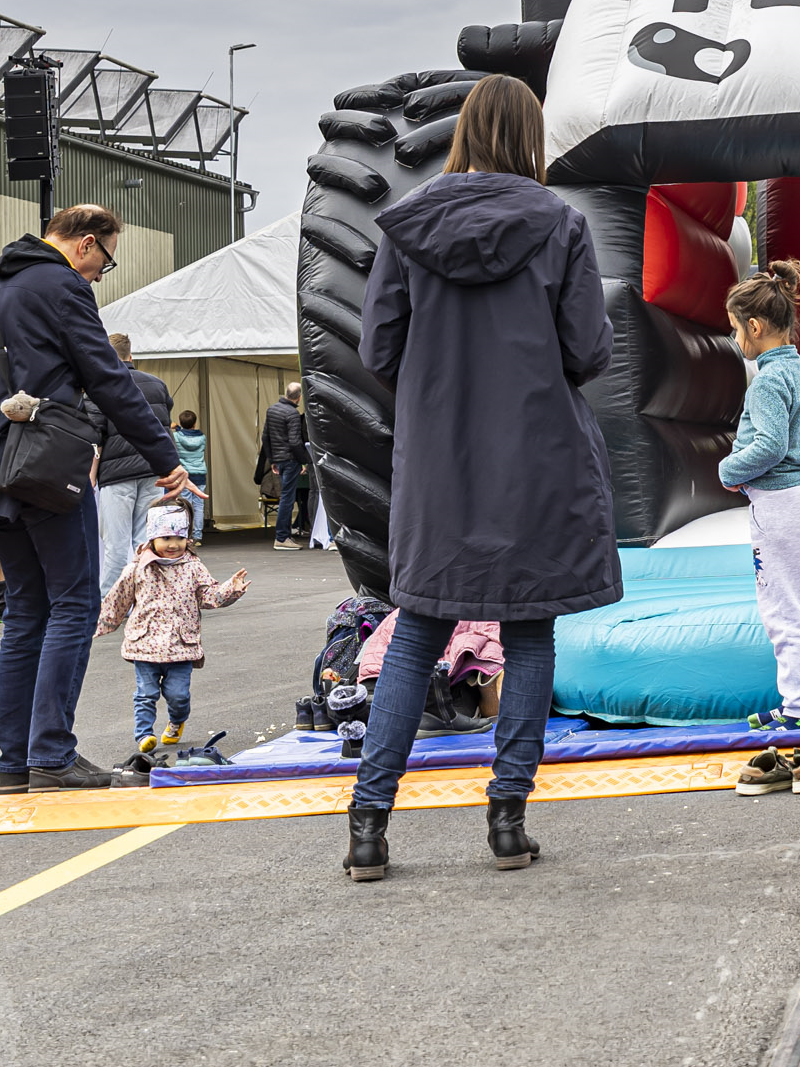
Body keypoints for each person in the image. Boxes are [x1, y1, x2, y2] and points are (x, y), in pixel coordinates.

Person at [342, 75, 617, 882]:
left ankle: (368, 828)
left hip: (440, 462)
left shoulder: (405, 226)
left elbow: (376, 350)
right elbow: (588, 351)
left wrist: (439, 381)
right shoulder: (561, 224)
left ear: (462, 133)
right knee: (530, 633)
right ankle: (506, 820)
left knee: (416, 630)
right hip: (538, 458)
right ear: (529, 139)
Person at [0, 203, 193, 792]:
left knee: (25, 613)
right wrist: (166, 459)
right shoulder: (60, 285)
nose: (102, 275)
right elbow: (109, 377)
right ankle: (52, 754)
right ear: (85, 243)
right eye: (106, 260)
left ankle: (17, 764)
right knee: (75, 606)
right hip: (44, 467)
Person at [720, 260, 800, 792]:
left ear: (757, 327)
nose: (734, 336)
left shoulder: (768, 380)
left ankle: (796, 711)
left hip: (780, 503)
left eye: (734, 326)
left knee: (781, 606)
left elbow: (766, 446)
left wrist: (728, 469)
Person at [96, 501, 245, 757]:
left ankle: (177, 721)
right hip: (145, 645)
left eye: (180, 537)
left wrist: (231, 589)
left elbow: (208, 596)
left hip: (180, 646)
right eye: (166, 537)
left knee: (178, 695)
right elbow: (117, 599)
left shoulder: (193, 567)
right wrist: (97, 624)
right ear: (152, 537)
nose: (173, 544)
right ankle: (144, 734)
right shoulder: (137, 568)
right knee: (146, 693)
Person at [92, 331, 179, 597]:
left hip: (116, 475)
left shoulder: (99, 386)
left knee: (115, 544)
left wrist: (91, 477)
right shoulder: (157, 384)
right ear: (131, 356)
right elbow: (164, 425)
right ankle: (147, 598)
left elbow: (96, 437)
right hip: (154, 472)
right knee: (146, 540)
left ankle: (112, 600)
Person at [260, 383, 313, 550]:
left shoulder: (272, 410)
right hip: (290, 460)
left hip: (279, 460)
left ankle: (283, 536)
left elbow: (265, 436)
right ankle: (282, 537)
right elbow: (295, 441)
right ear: (299, 397)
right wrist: (304, 460)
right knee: (287, 499)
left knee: (285, 497)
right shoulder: (293, 414)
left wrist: (272, 460)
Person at [171, 409, 210, 520]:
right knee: (199, 505)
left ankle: (187, 533)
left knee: (186, 504)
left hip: (185, 475)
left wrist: (177, 427)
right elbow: (187, 434)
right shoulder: (202, 437)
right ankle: (197, 534)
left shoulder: (176, 436)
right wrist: (179, 428)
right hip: (200, 475)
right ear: (194, 423)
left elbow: (176, 435)